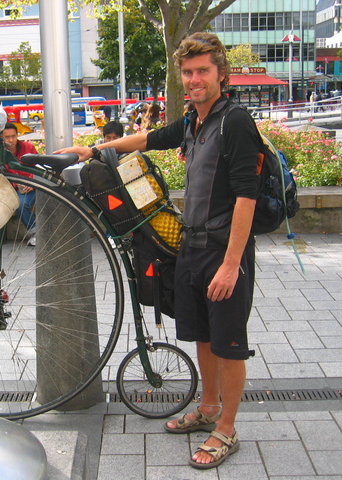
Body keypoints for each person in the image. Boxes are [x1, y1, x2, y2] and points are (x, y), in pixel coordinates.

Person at [56, 32, 260, 470]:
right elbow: (148, 140)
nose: (194, 80)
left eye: (202, 71)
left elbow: (247, 197)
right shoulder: (194, 121)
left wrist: (230, 265)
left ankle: (226, 428)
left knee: (229, 343)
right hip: (194, 245)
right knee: (204, 334)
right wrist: (94, 149)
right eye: (187, 73)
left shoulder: (235, 121)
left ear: (220, 73)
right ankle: (207, 409)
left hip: (225, 251)